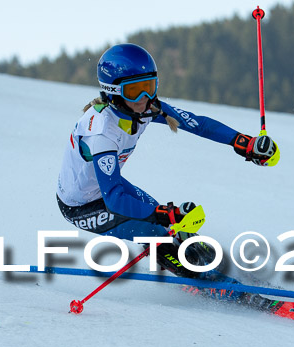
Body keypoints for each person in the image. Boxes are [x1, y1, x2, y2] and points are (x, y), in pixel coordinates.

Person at [56, 43, 279, 278]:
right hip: (81, 206)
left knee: (172, 225)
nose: (144, 99)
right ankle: (212, 281)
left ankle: (209, 263)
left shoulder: (145, 109)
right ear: (113, 92)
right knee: (154, 229)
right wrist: (166, 213)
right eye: (134, 91)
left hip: (109, 189)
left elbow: (198, 124)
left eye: (149, 86)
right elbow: (114, 201)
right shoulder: (102, 133)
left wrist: (243, 142)